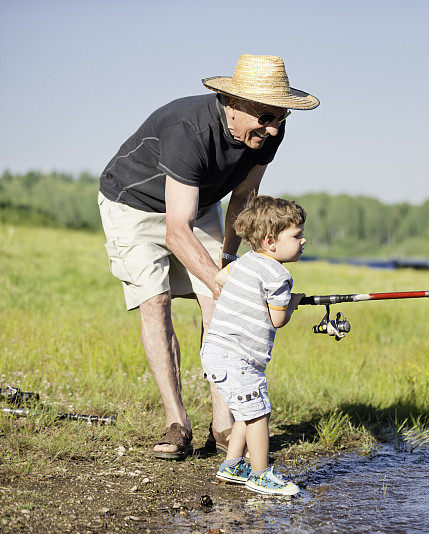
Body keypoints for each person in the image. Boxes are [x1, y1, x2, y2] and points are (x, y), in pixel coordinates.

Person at [97, 54, 319, 460]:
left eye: (281, 118)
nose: (272, 128)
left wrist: (228, 261)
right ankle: (177, 422)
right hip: (133, 203)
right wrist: (224, 278)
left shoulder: (270, 131)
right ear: (232, 103)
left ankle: (222, 424)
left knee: (219, 299)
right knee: (156, 300)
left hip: (197, 203)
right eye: (266, 116)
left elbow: (244, 198)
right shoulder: (189, 130)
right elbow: (175, 230)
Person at [201, 195, 305, 495]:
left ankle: (232, 465)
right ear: (272, 241)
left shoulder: (246, 260)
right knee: (258, 413)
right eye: (296, 236)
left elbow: (220, 277)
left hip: (219, 350)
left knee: (249, 410)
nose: (303, 240)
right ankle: (260, 474)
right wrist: (292, 303)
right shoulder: (278, 274)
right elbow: (278, 320)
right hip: (238, 356)